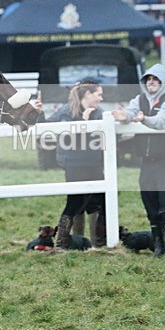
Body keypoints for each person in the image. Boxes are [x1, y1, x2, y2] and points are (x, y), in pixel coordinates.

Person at [112, 64, 165, 257]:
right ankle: (158, 246)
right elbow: (131, 113)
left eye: (155, 79)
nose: (151, 82)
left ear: (162, 82)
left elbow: (162, 121)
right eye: (148, 79)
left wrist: (144, 120)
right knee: (150, 203)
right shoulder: (139, 99)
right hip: (146, 162)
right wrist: (123, 116)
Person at [36, 80, 106, 250]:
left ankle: (98, 243)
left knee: (99, 202)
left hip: (94, 162)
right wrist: (39, 113)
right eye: (99, 94)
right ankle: (67, 241)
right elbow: (46, 129)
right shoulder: (65, 111)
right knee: (75, 203)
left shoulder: (100, 113)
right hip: (75, 164)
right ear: (88, 94)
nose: (101, 98)